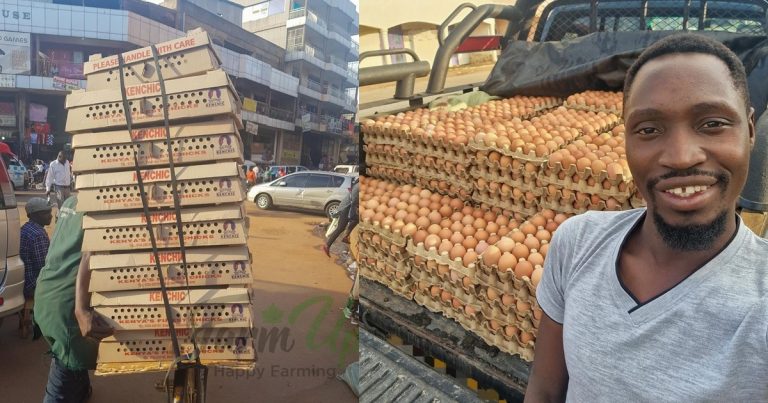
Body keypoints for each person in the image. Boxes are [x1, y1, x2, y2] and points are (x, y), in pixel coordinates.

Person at [525, 34, 768, 401]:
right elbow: (544, 391)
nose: (682, 156)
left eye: (712, 123)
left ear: (749, 130)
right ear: (625, 141)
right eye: (649, 130)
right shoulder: (578, 243)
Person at [34, 197, 113, 402]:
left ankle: (81, 389)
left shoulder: (71, 200)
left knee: (68, 361)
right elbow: (90, 254)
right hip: (68, 304)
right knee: (61, 383)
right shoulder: (103, 202)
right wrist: (81, 309)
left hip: (48, 291)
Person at [18, 197, 53, 339]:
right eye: (45, 213)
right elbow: (44, 266)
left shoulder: (25, 228)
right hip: (33, 283)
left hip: (23, 279)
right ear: (33, 215)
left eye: (49, 212)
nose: (50, 215)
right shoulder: (38, 234)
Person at [323, 181, 359, 257]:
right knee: (340, 227)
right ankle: (327, 245)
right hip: (346, 208)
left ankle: (346, 236)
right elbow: (354, 200)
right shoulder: (358, 186)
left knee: (355, 220)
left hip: (348, 207)